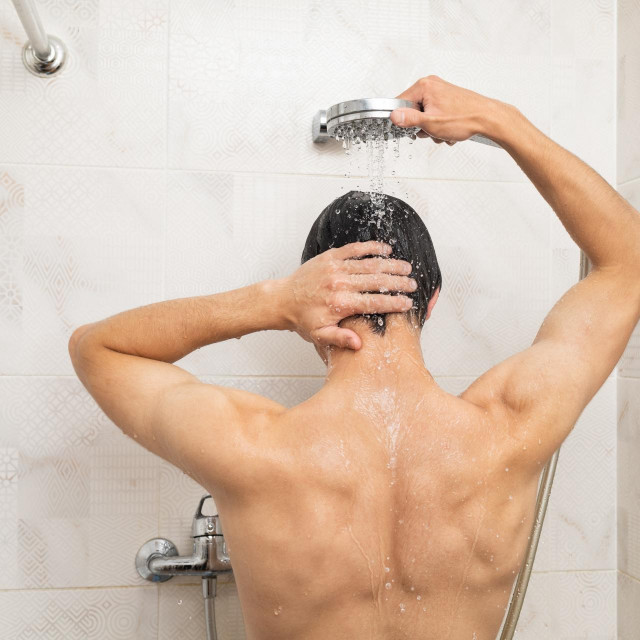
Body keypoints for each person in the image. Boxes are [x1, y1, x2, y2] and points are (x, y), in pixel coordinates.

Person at [68, 76, 640, 640]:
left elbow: (97, 349)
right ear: (433, 300)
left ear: (312, 312)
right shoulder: (510, 427)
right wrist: (499, 119)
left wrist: (271, 300)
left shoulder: (252, 447)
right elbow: (629, 261)